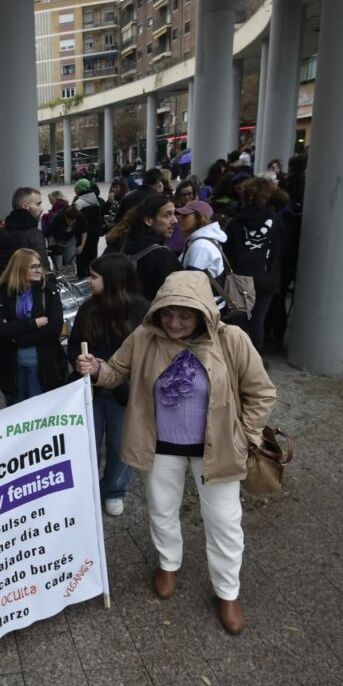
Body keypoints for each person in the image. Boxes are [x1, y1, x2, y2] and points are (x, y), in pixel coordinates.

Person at [75, 272, 276, 634]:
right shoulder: (144, 337)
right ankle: (169, 564)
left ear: (202, 311)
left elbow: (262, 392)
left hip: (216, 448)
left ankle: (227, 591)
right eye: (167, 314)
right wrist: (95, 370)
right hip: (161, 446)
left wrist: (246, 435)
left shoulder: (231, 340)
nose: (174, 322)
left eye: (184, 314)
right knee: (162, 511)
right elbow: (116, 372)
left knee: (224, 523)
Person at [67, 254, 150, 517]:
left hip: (124, 393)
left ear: (112, 279)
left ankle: (114, 490)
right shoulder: (87, 308)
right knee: (88, 442)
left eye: (94, 277)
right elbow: (73, 343)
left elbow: (147, 354)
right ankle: (86, 488)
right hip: (89, 388)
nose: (89, 281)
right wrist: (81, 362)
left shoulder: (141, 309)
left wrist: (115, 372)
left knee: (119, 443)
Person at [0, 249, 64, 405]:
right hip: (13, 368)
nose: (39, 270)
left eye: (40, 266)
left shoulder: (48, 290)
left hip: (42, 366)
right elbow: (0, 329)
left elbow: (55, 327)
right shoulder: (2, 292)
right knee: (16, 413)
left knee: (39, 412)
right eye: (33, 266)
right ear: (19, 268)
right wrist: (34, 323)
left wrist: (17, 339)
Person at [224, 176, 285, 352]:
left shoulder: (236, 222)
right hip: (267, 275)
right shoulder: (275, 220)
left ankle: (238, 360)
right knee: (259, 320)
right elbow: (281, 246)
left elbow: (230, 250)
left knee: (240, 321)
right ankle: (255, 362)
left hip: (241, 276)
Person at [105, 192, 182, 300]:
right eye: (167, 215)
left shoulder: (124, 245)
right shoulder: (162, 255)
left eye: (174, 214)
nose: (175, 220)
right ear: (149, 220)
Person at [0, 187, 47, 279]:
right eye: (38, 204)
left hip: (0, 290)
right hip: (25, 291)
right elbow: (43, 271)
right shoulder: (34, 235)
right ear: (25, 206)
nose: (42, 208)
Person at [178, 200, 227, 281]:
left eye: (185, 216)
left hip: (204, 293)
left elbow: (191, 282)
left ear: (200, 218)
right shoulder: (203, 240)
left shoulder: (201, 246)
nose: (180, 219)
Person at [73, 179, 107, 275]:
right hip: (94, 233)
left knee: (81, 257)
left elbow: (73, 217)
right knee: (92, 254)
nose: (74, 190)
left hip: (82, 234)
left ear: (80, 189)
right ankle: (92, 274)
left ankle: (82, 275)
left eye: (76, 187)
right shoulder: (96, 201)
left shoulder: (79, 202)